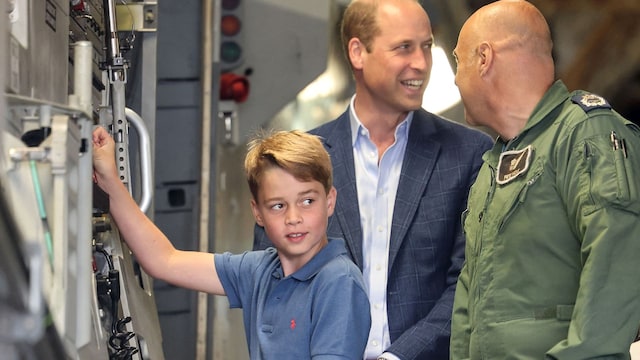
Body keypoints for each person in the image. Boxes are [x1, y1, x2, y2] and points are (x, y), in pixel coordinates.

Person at [254, 0, 494, 358]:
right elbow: (271, 282)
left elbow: (469, 285)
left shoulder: (469, 154)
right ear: (357, 52)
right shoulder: (299, 160)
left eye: (426, 46)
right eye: (403, 48)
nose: (421, 64)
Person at [450, 0, 640, 358]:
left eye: (459, 62)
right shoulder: (492, 166)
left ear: (485, 58)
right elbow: (468, 307)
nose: (456, 78)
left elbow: (618, 266)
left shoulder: (585, 134)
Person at [92, 127, 371, 359]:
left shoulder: (338, 282)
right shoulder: (259, 270)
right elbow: (164, 260)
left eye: (307, 201)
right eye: (277, 206)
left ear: (330, 201)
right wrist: (110, 180)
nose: (294, 218)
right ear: (257, 213)